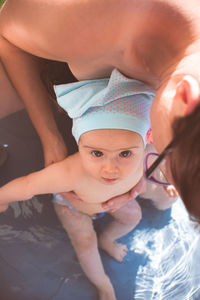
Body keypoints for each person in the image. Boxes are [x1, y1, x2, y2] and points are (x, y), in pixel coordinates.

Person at [0, 0, 199, 219]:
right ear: (183, 97)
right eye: (160, 160)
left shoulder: (186, 71)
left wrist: (137, 172)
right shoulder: (87, 19)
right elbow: (6, 38)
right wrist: (50, 136)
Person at [0, 69, 158, 300]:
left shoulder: (146, 152)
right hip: (74, 208)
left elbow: (168, 159)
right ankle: (103, 284)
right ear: (79, 143)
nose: (110, 168)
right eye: (96, 153)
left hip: (114, 203)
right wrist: (3, 197)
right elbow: (28, 185)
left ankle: (108, 239)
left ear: (144, 142)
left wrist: (166, 180)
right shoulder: (71, 172)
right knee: (85, 243)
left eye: (124, 153)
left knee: (134, 216)